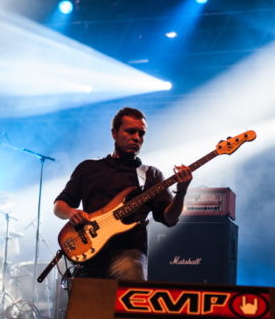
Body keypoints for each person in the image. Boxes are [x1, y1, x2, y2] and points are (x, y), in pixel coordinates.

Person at [54, 107, 192, 281]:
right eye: (130, 131)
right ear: (114, 133)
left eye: (141, 133)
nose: (137, 137)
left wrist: (181, 192)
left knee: (130, 289)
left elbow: (169, 219)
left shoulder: (151, 175)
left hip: (128, 252)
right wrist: (72, 213)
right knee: (82, 299)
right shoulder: (88, 168)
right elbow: (59, 206)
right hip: (88, 253)